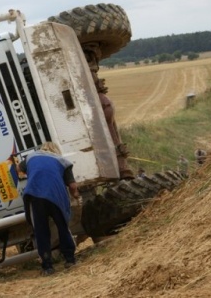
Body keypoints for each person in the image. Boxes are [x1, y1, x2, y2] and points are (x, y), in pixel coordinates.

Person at [19, 141, 79, 276]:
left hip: (36, 195)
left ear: (42, 149)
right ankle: (70, 260)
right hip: (56, 196)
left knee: (41, 231)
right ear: (56, 150)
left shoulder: (31, 157)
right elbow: (73, 186)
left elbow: (19, 169)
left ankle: (47, 267)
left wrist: (30, 173)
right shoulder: (62, 161)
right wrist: (75, 195)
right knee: (63, 227)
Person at [82, 43, 134, 180]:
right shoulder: (91, 69)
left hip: (100, 106)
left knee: (107, 132)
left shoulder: (82, 71)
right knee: (111, 130)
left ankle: (119, 169)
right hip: (103, 104)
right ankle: (121, 168)